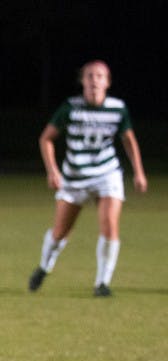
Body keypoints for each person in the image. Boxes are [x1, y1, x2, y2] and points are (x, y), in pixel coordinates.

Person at [28, 60, 147, 297]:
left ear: (107, 82)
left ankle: (102, 283)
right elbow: (46, 139)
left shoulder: (117, 108)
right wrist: (52, 170)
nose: (94, 80)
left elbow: (129, 140)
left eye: (100, 76)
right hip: (75, 177)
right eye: (90, 76)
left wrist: (139, 172)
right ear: (82, 81)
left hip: (107, 174)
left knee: (110, 226)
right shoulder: (71, 108)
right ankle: (44, 266)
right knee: (60, 232)